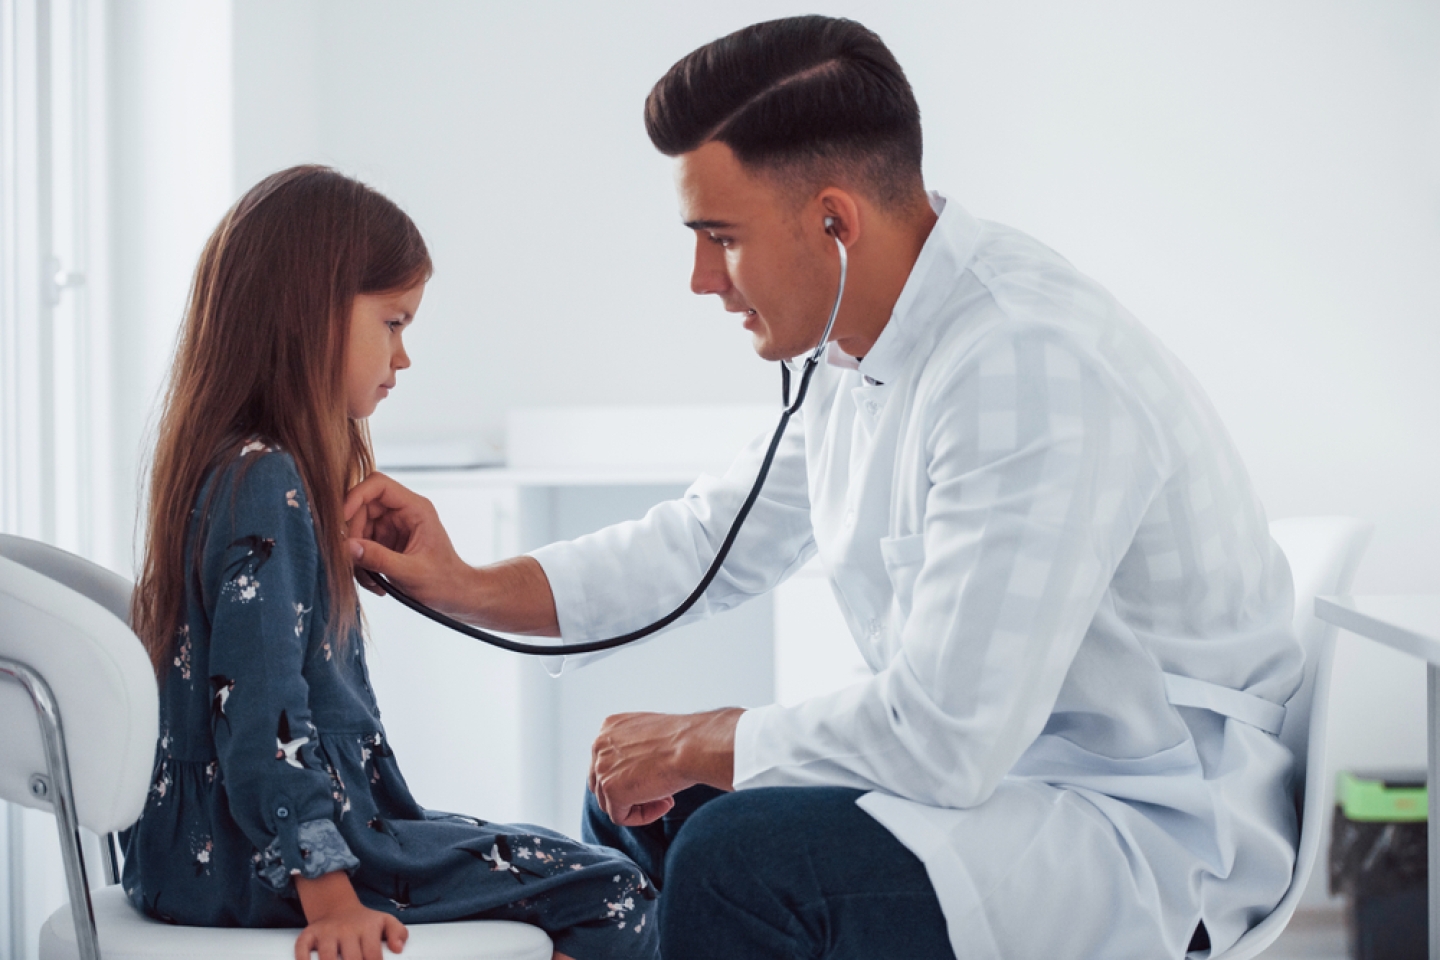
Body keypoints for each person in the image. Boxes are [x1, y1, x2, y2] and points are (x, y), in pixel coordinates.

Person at [345, 16, 1303, 960]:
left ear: (834, 222)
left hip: (1132, 828)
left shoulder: (1025, 366)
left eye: (719, 237)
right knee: (640, 801)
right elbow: (702, 545)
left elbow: (945, 738)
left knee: (734, 855)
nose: (698, 280)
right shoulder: (868, 351)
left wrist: (699, 736)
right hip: (1005, 786)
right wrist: (465, 581)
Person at [122, 166, 659, 960]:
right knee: (613, 892)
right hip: (256, 866)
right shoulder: (265, 479)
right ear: (308, 314)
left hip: (210, 857)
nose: (402, 357)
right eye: (394, 322)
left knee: (568, 867)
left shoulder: (235, 469)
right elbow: (263, 715)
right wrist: (329, 892)